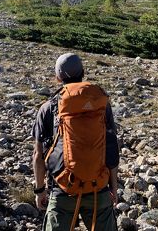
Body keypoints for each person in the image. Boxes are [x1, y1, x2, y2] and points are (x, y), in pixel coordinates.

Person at [32, 53, 119, 231]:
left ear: (58, 77)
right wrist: (113, 188)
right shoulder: (100, 104)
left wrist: (40, 190)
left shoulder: (49, 107)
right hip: (98, 188)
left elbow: (38, 155)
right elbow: (111, 148)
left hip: (63, 188)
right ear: (83, 72)